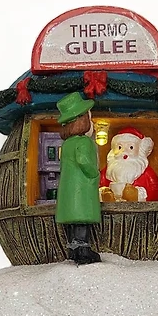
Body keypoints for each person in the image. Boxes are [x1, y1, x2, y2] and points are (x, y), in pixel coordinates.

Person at [55, 92, 102, 265]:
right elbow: (83, 160)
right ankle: (83, 252)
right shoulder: (84, 142)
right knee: (82, 219)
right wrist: (94, 174)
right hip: (82, 187)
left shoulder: (67, 144)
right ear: (82, 120)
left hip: (69, 189)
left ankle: (73, 250)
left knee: (72, 221)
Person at [99, 127, 158, 202]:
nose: (124, 151)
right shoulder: (107, 172)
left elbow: (154, 192)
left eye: (131, 147)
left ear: (139, 150)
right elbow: (95, 187)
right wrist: (102, 194)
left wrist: (137, 195)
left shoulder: (147, 173)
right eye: (119, 147)